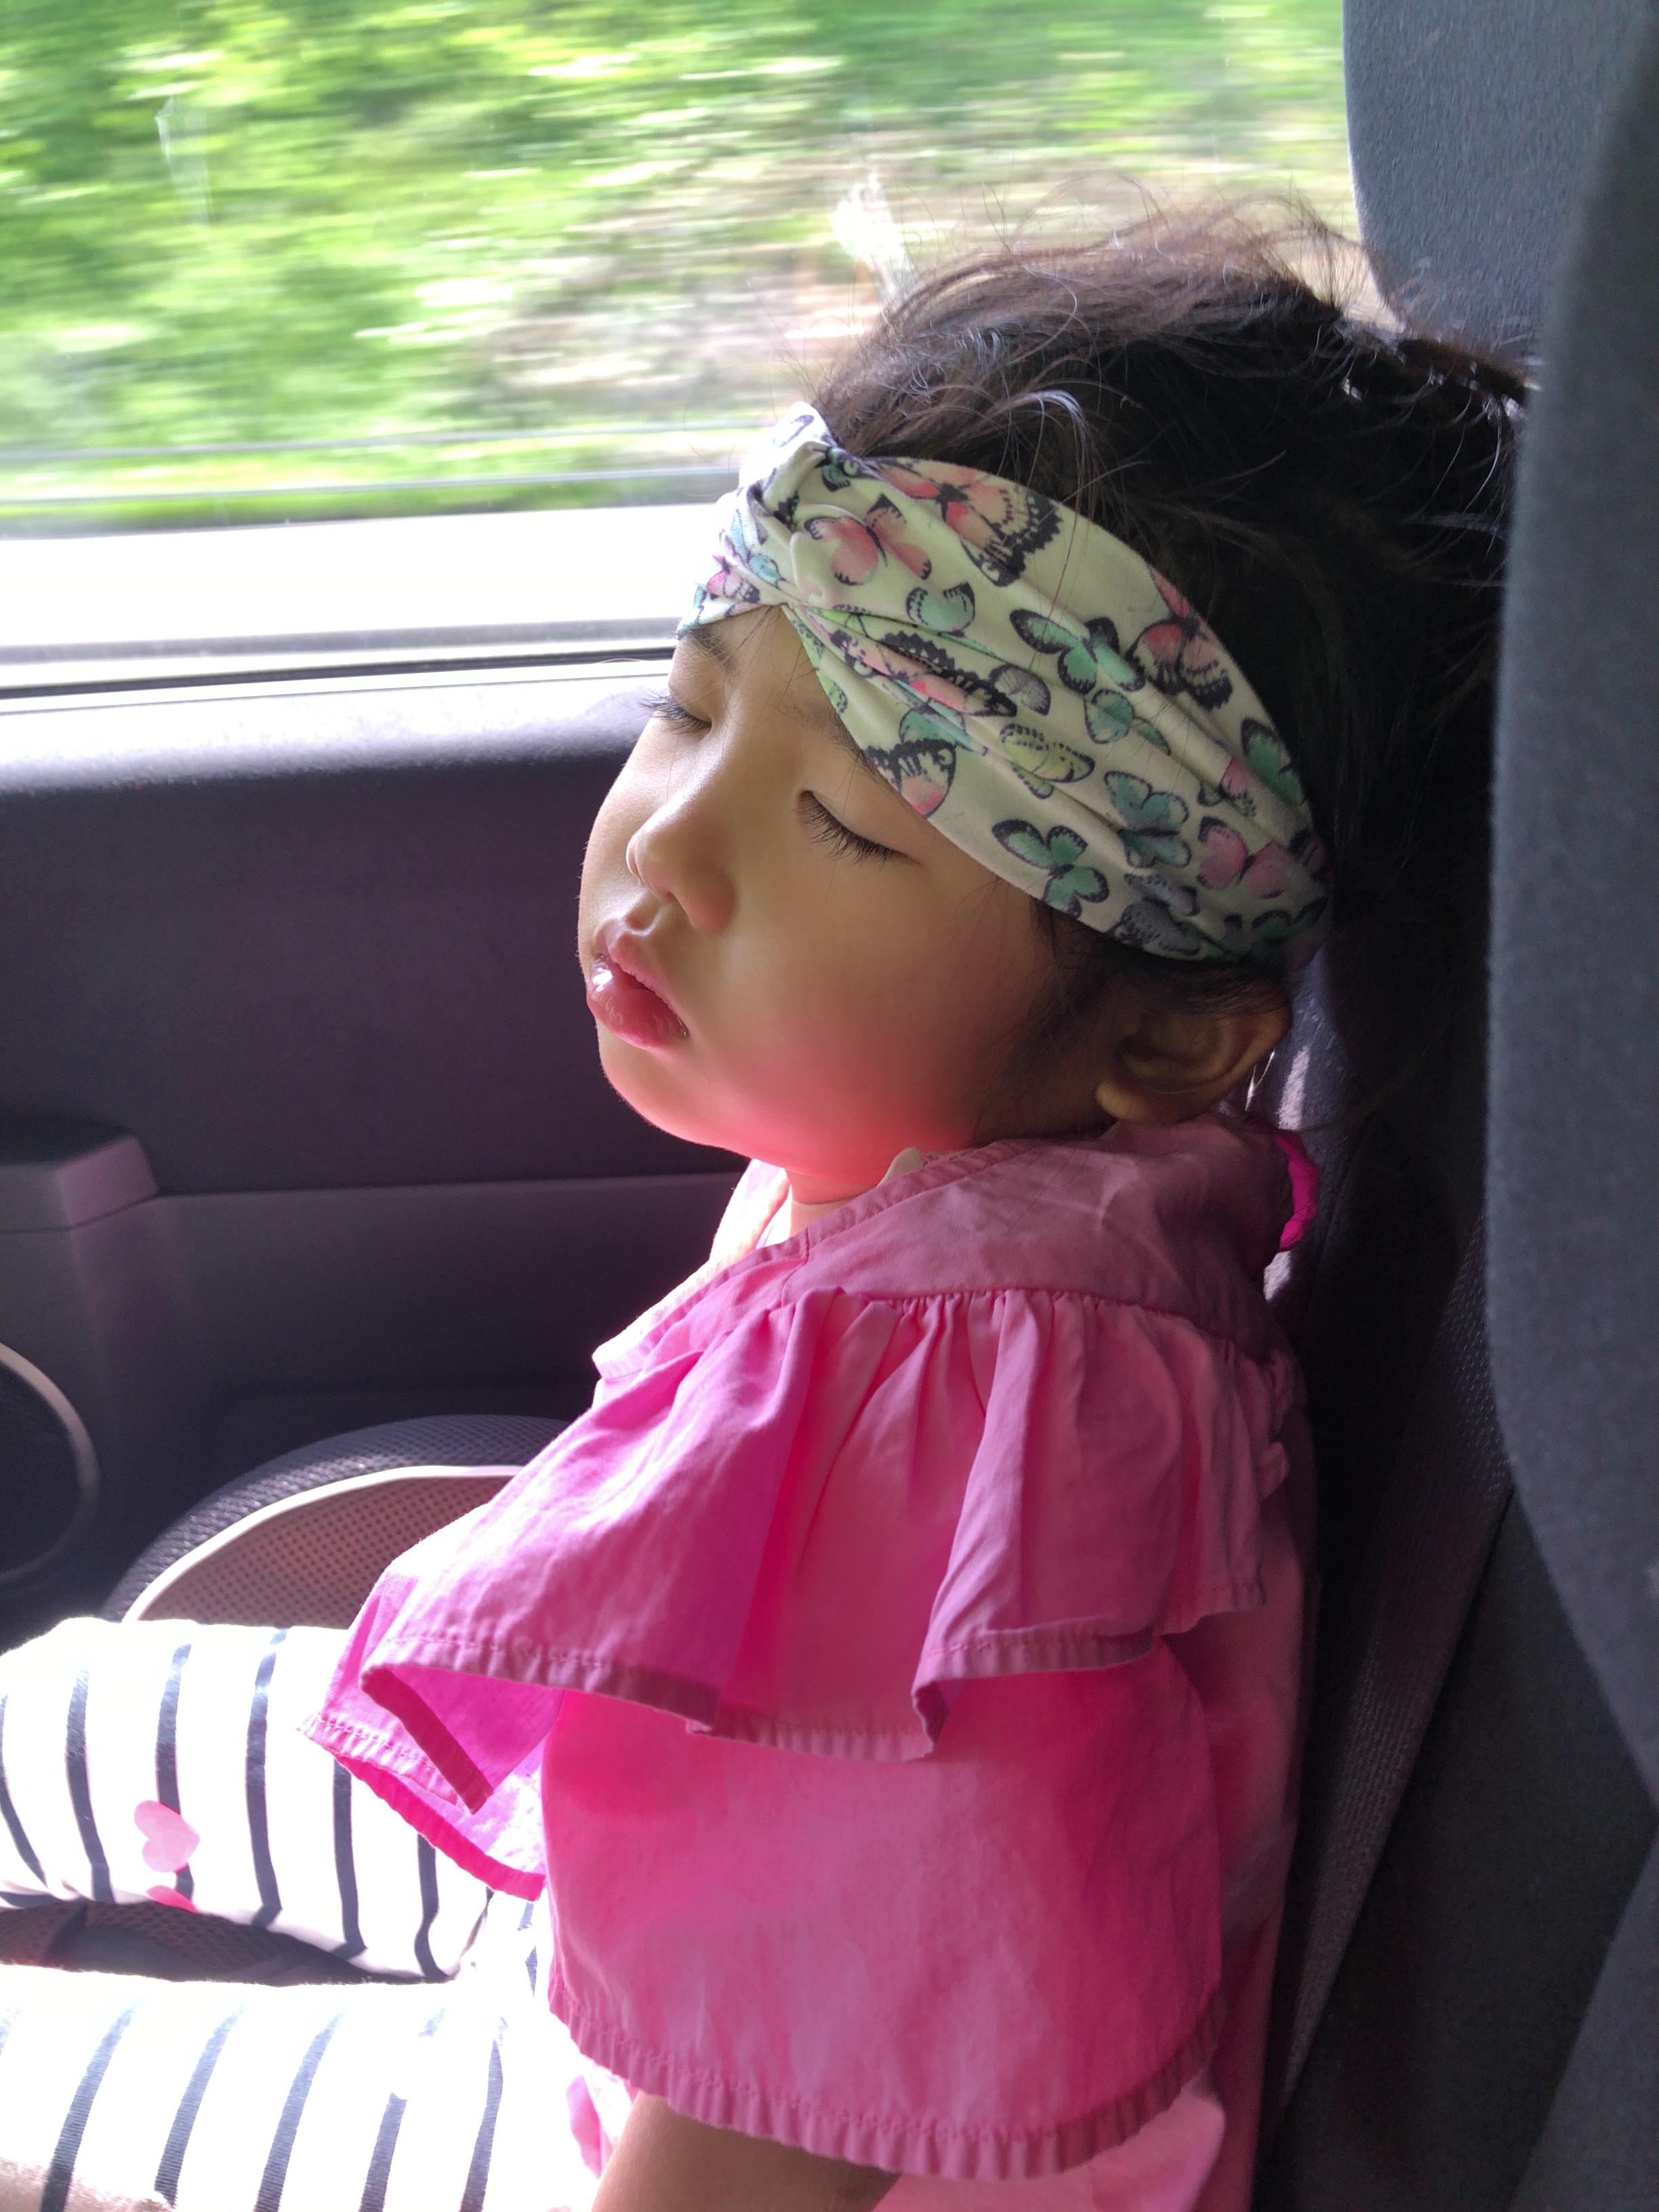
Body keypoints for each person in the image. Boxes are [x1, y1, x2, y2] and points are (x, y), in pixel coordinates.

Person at [0, 211, 1520, 2212]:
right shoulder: (978, 1192)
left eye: (846, 823)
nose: (673, 848)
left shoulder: (955, 1418)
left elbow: (793, 2106)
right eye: (693, 706)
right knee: (48, 1711)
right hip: (630, 1922)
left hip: (692, 2129)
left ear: (1163, 1036)